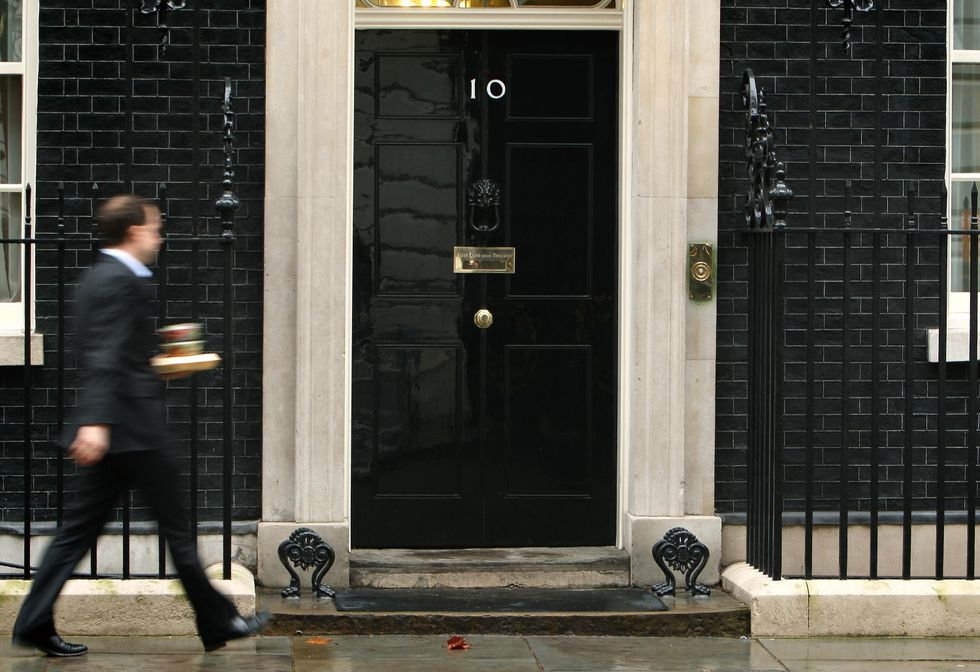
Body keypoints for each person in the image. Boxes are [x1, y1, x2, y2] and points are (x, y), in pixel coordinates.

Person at [11, 194, 268, 656]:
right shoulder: (122, 280)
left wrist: (162, 364)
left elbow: (115, 355)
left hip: (118, 428)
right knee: (176, 530)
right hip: (132, 432)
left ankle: (33, 620)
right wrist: (95, 421)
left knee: (77, 532)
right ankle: (217, 622)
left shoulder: (97, 278)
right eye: (155, 228)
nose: (160, 237)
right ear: (134, 232)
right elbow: (103, 355)